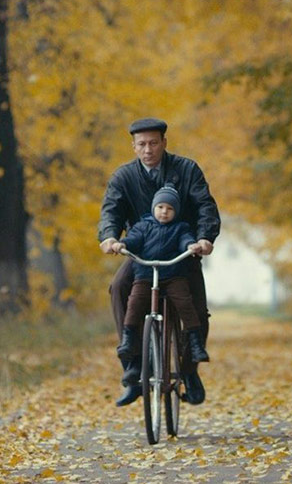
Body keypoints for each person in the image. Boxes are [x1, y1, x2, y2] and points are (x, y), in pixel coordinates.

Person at [99, 117, 220, 407]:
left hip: (182, 250)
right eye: (141, 144)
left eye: (153, 143)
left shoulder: (187, 169)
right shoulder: (123, 177)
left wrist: (204, 238)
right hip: (143, 254)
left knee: (197, 308)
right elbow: (111, 211)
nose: (148, 149)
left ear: (164, 143)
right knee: (118, 287)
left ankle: (190, 371)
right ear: (134, 146)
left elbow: (205, 206)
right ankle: (133, 367)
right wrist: (109, 237)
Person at [108, 184, 210, 365]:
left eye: (170, 209)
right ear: (153, 208)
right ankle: (129, 339)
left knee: (184, 303)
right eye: (160, 207)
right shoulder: (142, 226)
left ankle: (195, 343)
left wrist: (190, 246)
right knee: (134, 302)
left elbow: (185, 240)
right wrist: (122, 244)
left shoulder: (181, 228)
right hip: (145, 275)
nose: (164, 212)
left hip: (173, 275)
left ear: (176, 212)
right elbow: (133, 240)